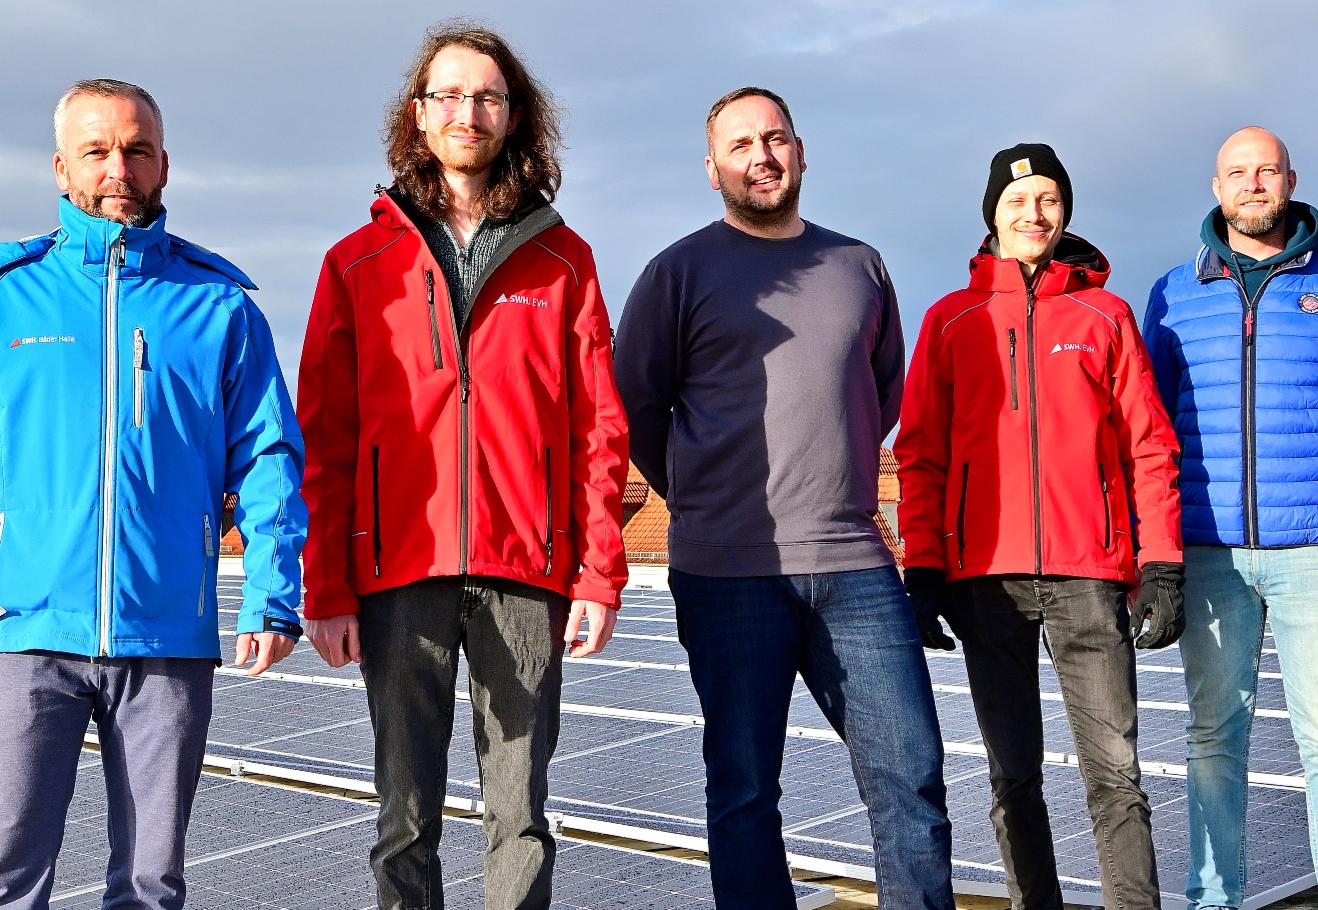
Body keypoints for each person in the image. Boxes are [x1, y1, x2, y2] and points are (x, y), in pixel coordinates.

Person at [0, 79, 306, 909]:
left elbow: (267, 457)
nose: (118, 166)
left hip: (166, 634)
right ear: (60, 167)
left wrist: (271, 594)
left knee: (151, 886)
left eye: (136, 148)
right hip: (23, 630)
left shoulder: (218, 305)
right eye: (96, 150)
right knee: (6, 884)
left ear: (163, 165)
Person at [295, 23, 628, 910]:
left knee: (519, 816)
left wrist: (598, 575)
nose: (466, 111)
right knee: (404, 816)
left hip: (528, 570)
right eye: (448, 94)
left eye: (485, 95)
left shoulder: (564, 260)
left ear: (513, 115)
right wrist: (324, 587)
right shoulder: (356, 262)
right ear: (418, 113)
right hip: (396, 570)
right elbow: (322, 440)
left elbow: (600, 427)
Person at [614, 86, 954, 910]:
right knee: (744, 794)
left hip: (856, 567)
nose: (760, 156)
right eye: (740, 145)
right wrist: (701, 497)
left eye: (774, 139)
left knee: (909, 780)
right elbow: (634, 409)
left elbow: (879, 390)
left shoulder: (859, 264)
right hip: (729, 570)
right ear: (711, 169)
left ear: (799, 150)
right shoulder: (676, 272)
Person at [1141, 127, 1318, 910]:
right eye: (1236, 172)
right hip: (1207, 553)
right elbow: (1145, 433)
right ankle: (1212, 902)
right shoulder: (1171, 294)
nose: (1252, 183)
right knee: (1210, 741)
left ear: (1289, 180)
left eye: (1265, 170)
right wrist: (1147, 553)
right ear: (1215, 187)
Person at [895, 143, 1184, 910]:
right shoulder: (950, 320)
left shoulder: (1104, 315)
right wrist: (921, 570)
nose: (1034, 214)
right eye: (1018, 201)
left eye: (1049, 200)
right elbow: (918, 455)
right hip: (984, 579)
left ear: (1064, 213)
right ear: (991, 213)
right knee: (1012, 775)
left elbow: (1148, 447)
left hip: (1089, 577)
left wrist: (1160, 564)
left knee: (1114, 775)